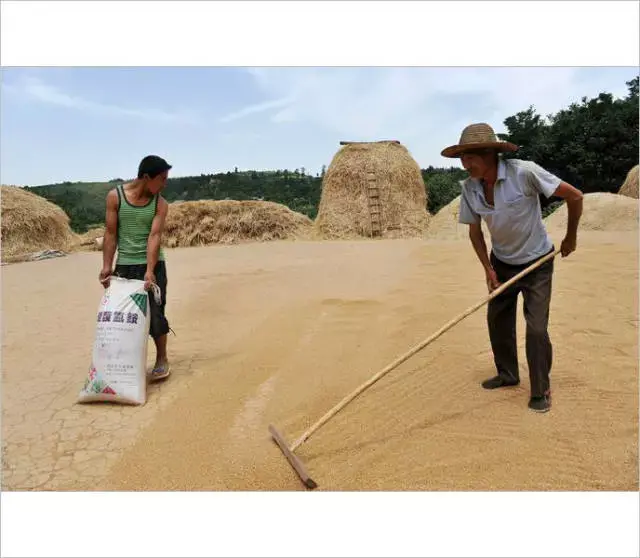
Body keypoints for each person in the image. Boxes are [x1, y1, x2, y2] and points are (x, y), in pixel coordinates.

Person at [441, 123, 583, 413]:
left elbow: (575, 196)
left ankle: (541, 388)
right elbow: (475, 232)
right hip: (501, 262)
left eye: (471, 157)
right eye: (462, 158)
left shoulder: (524, 172)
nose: (466, 164)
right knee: (498, 320)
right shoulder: (469, 188)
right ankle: (507, 374)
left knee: (536, 328)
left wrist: (570, 236)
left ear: (491, 154)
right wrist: (487, 269)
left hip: (537, 262)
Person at [99, 155, 172, 382]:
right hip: (124, 266)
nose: (164, 184)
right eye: (162, 179)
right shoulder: (115, 197)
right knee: (124, 316)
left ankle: (161, 359)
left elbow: (154, 236)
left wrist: (150, 270)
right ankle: (125, 363)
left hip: (153, 265)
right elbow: (111, 233)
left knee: (155, 314)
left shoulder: (160, 204)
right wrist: (106, 266)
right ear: (146, 177)